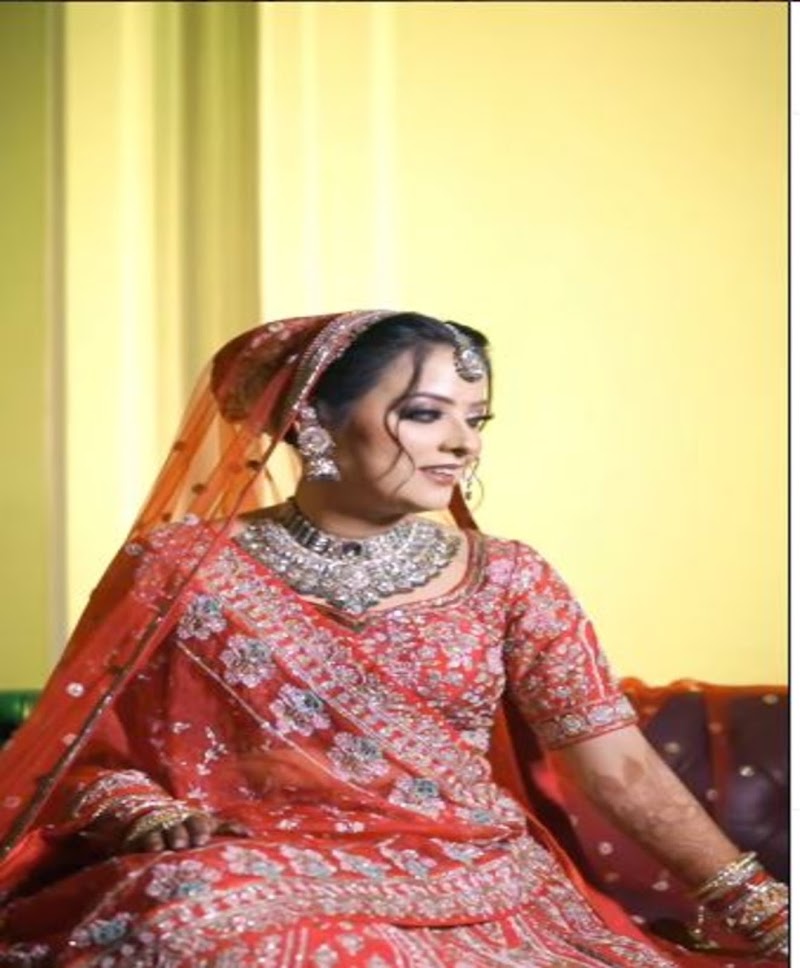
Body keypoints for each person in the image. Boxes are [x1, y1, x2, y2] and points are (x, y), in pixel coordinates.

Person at [0, 311, 787, 967]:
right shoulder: (180, 568)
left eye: (475, 419)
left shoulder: (510, 577)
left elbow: (618, 766)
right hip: (253, 866)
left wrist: (766, 915)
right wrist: (141, 812)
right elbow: (80, 751)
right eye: (426, 414)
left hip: (470, 882)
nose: (464, 443)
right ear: (312, 419)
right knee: (187, 918)